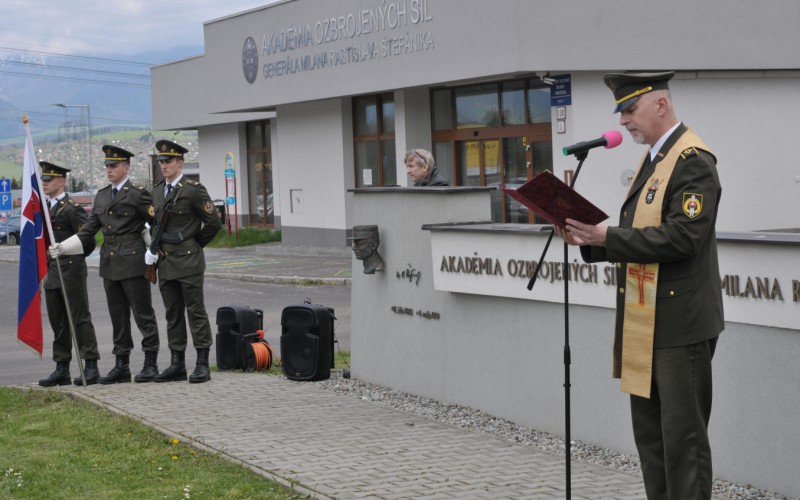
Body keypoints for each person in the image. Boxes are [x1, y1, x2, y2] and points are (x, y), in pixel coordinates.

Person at [556, 71, 723, 499]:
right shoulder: (654, 160)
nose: (624, 120)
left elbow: (684, 237)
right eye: (622, 112)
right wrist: (589, 239)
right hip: (643, 321)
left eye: (630, 109)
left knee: (683, 443)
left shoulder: (692, 160)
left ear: (661, 105)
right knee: (652, 442)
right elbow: (637, 236)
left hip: (679, 324)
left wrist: (607, 237)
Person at [49, 145, 161, 384]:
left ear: (126, 167)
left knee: (143, 314)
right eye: (107, 166)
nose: (109, 170)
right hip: (109, 262)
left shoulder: (138, 194)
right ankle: (121, 365)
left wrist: (153, 250)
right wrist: (64, 247)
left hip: (133, 260)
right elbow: (88, 230)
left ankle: (150, 363)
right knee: (117, 317)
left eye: (114, 165)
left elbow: (157, 222)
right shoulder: (102, 195)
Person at [145, 140, 221, 383]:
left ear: (180, 163)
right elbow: (156, 225)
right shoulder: (157, 191)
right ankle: (177, 363)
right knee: (173, 314)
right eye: (161, 161)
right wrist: (152, 250)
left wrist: (195, 244)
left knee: (195, 312)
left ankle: (202, 363)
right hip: (165, 262)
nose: (164, 165)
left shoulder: (193, 190)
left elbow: (213, 222)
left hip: (188, 262)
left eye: (168, 161)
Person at [38, 162, 100, 387]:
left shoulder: (71, 208)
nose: (45, 183)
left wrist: (70, 254)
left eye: (49, 179)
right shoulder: (46, 208)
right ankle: (62, 367)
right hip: (52, 271)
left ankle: (90, 365)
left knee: (79, 318)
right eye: (44, 179)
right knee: (58, 321)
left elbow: (88, 240)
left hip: (71, 270)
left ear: (61, 181)